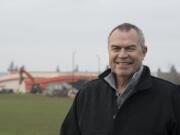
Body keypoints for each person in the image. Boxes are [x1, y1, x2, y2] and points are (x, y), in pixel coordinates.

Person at [60, 23, 180, 135]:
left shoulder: (171, 96)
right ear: (109, 51)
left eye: (130, 48)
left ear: (144, 52)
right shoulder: (87, 94)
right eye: (116, 48)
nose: (122, 55)